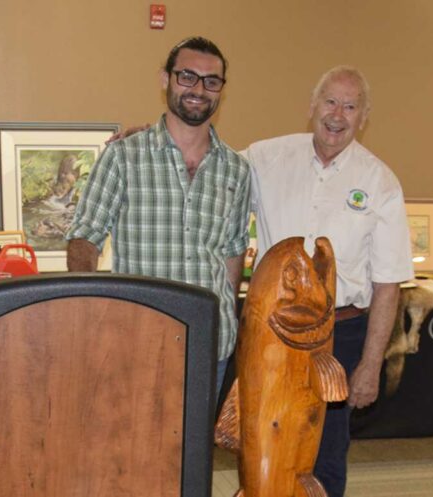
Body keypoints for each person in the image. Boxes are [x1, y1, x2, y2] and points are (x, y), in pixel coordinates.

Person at [245, 66, 413, 497]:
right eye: (330, 102)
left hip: (342, 333)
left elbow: (389, 284)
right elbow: (205, 164)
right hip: (272, 333)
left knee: (325, 451)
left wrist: (371, 365)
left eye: (350, 106)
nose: (338, 115)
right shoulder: (266, 158)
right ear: (312, 106)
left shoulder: (380, 183)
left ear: (364, 118)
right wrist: (153, 138)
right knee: (261, 440)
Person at [65, 36, 251, 399]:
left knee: (195, 456)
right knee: (134, 454)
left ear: (220, 92)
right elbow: (84, 239)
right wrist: (91, 312)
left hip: (210, 346)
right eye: (187, 77)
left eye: (211, 81)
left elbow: (232, 251)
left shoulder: (236, 170)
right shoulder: (123, 157)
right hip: (137, 343)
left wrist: (227, 314)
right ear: (165, 79)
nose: (199, 89)